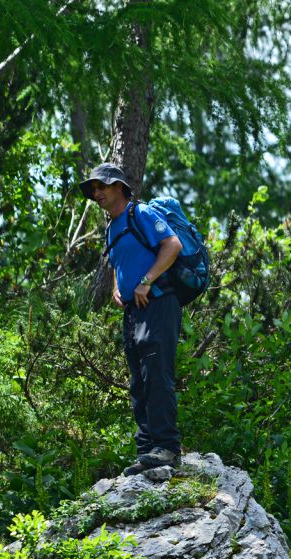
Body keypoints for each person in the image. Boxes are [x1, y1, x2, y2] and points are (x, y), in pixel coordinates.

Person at [80, 163, 184, 476]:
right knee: (138, 380)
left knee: (156, 372)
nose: (97, 193)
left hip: (159, 303)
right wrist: (116, 288)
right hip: (133, 310)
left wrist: (147, 280)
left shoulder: (142, 214)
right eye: (94, 189)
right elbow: (118, 262)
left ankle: (166, 446)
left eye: (102, 186)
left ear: (120, 188)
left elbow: (173, 245)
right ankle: (147, 450)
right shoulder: (112, 226)